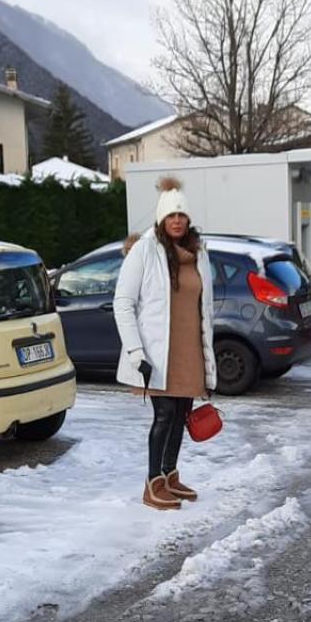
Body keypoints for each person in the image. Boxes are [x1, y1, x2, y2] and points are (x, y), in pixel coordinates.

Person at [113, 176, 216, 510]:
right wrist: (135, 352)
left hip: (189, 350)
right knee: (165, 414)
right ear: (161, 218)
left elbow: (205, 307)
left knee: (182, 411)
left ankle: (170, 475)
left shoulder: (199, 252)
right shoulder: (145, 250)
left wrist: (208, 355)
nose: (177, 220)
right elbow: (123, 303)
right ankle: (152, 482)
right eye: (171, 215)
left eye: (182, 215)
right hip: (157, 352)